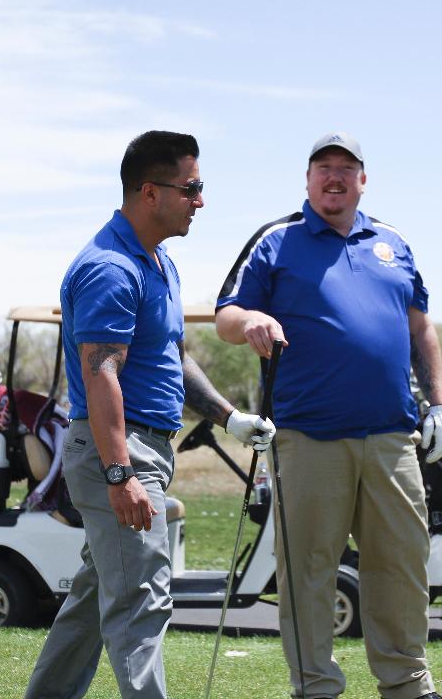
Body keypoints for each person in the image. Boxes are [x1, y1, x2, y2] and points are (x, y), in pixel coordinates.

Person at [25, 131, 275, 699]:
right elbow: (101, 375)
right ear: (149, 192)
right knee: (142, 600)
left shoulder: (158, 263)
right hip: (122, 450)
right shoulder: (111, 268)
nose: (200, 201)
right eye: (192, 188)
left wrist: (229, 417)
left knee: (95, 601)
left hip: (143, 448)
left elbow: (174, 358)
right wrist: (121, 474)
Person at [215, 132, 442, 699]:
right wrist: (250, 321)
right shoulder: (277, 241)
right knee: (308, 573)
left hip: (393, 436)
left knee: (401, 566)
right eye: (323, 168)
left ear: (363, 180)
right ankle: (316, 685)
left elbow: (421, 327)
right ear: (307, 179)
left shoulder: (393, 242)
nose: (334, 177)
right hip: (308, 437)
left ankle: (407, 684)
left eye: (346, 168)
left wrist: (440, 403)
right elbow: (225, 314)